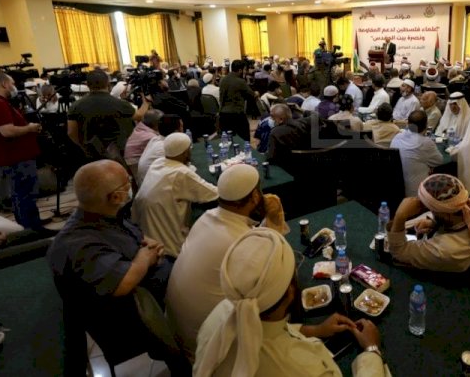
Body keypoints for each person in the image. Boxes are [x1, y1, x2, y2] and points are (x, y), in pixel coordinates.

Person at [46, 160, 183, 372]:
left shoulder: (103, 215)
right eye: (126, 183)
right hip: (132, 320)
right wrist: (145, 258)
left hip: (153, 291)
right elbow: (123, 283)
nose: (130, 186)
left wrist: (148, 247)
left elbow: (135, 238)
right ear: (115, 197)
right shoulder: (79, 244)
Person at [194, 228, 389, 377]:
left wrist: (315, 330)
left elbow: (264, 329)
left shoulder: (221, 313)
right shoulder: (303, 368)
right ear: (290, 292)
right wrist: (372, 350)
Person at [166, 164, 289, 359]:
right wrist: (274, 223)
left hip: (178, 333)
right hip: (207, 350)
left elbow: (256, 241)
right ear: (255, 196)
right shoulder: (240, 243)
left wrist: (270, 221)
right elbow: (275, 270)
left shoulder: (206, 217)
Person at [387, 173, 470, 273]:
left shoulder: (447, 249)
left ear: (444, 213)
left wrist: (400, 216)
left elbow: (398, 252)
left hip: (448, 283)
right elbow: (459, 217)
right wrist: (434, 223)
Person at [132, 133, 218, 257]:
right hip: (167, 248)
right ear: (185, 153)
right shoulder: (181, 173)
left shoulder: (158, 162)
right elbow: (213, 193)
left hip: (144, 234)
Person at [0, 72, 44, 230]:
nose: (14, 87)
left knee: (22, 195)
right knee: (25, 195)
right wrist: (30, 128)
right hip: (16, 157)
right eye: (12, 83)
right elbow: (7, 131)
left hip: (11, 156)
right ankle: (32, 230)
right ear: (4, 84)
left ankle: (30, 227)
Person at [67, 69, 149, 159]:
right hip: (118, 152)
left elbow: (71, 132)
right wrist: (146, 102)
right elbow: (139, 116)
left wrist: (83, 146)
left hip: (92, 153)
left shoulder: (75, 106)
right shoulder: (120, 103)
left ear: (87, 85)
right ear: (108, 84)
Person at [390, 110, 445, 196]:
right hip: (417, 194)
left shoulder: (397, 136)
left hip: (396, 190)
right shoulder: (426, 143)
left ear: (408, 124)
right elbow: (439, 161)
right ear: (426, 125)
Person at [136, 114, 183, 184]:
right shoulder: (166, 147)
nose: (183, 130)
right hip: (153, 185)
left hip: (149, 182)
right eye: (181, 127)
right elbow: (182, 169)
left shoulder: (156, 139)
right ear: (176, 131)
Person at [219, 59, 256, 141]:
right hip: (237, 114)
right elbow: (251, 95)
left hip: (224, 113)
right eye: (244, 69)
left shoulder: (223, 80)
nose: (245, 72)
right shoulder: (240, 81)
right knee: (244, 139)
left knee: (228, 140)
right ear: (240, 70)